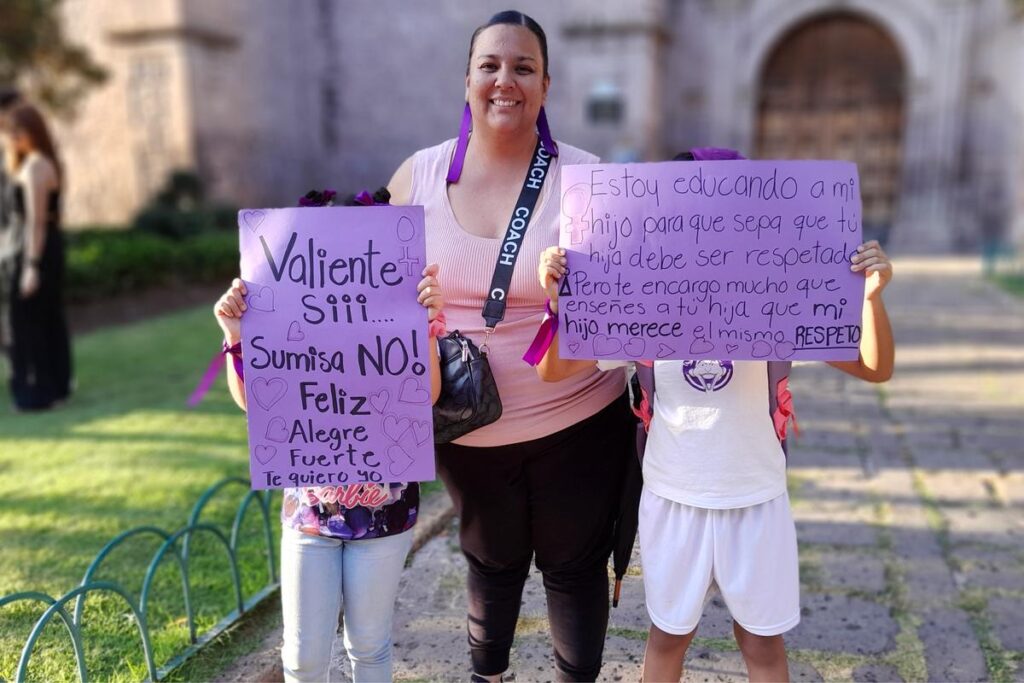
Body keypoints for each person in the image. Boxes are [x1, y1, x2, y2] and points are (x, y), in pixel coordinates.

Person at [536, 152, 895, 681]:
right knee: (667, 639)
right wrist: (559, 302)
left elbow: (874, 367)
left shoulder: (776, 298)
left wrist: (871, 298)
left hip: (755, 496)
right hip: (674, 496)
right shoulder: (641, 301)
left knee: (761, 643)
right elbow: (553, 370)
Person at [387, 10, 634, 682]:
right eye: (490, 66)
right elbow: (363, 290)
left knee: (574, 567)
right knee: (489, 564)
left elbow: (627, 307)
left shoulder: (588, 180)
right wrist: (258, 308)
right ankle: (486, 674)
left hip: (580, 422)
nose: (506, 80)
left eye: (523, 67)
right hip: (466, 429)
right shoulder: (414, 177)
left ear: (546, 85)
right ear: (466, 81)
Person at [213, 189, 446, 683]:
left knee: (368, 646)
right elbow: (252, 401)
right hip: (309, 511)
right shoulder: (284, 317)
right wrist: (237, 334)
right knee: (302, 658)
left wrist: (421, 328)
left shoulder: (405, 312)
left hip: (385, 512)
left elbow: (424, 394)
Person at [0, 101, 72, 410]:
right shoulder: (26, 163)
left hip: (34, 252)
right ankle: (54, 387)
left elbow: (36, 221)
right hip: (28, 250)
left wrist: (30, 266)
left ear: (34, 131)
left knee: (26, 323)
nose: (13, 138)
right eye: (10, 132)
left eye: (19, 132)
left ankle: (36, 393)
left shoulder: (37, 166)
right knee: (41, 319)